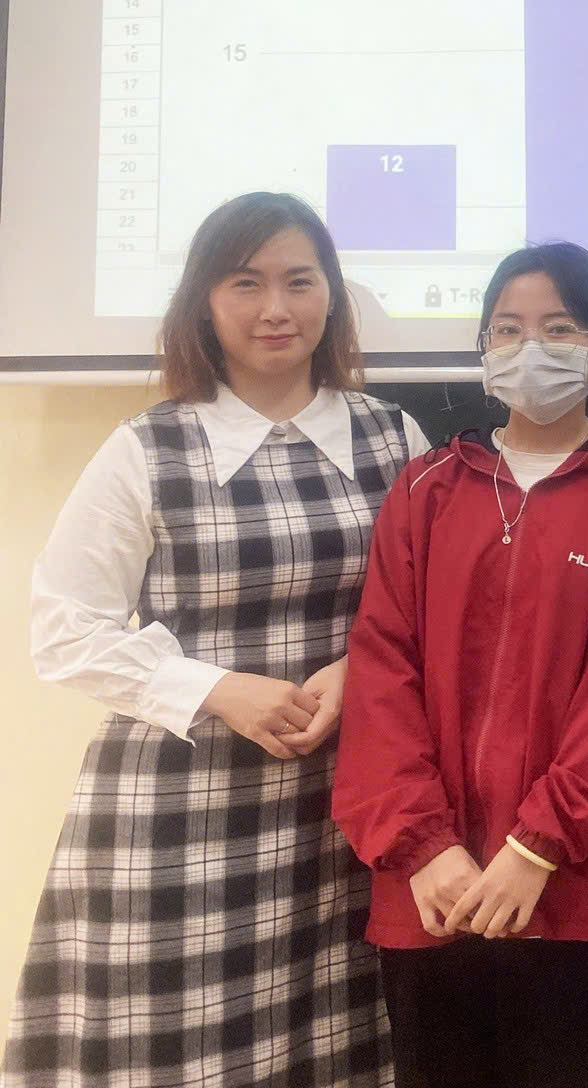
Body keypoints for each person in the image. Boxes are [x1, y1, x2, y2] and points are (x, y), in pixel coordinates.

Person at [5, 191, 430, 1086]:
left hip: (345, 805)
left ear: (331, 296)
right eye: (246, 283)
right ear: (204, 301)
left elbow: (434, 607)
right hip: (179, 812)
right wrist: (217, 690)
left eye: (299, 281)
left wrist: (359, 669)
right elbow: (63, 627)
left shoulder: (395, 439)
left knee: (331, 1040)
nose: (275, 307)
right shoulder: (148, 447)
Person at [332, 243, 588, 1088]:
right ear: (484, 348)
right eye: (507, 329)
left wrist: (537, 848)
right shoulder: (425, 488)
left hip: (572, 891)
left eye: (559, 329)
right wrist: (424, 847)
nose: (530, 348)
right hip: (433, 892)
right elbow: (380, 672)